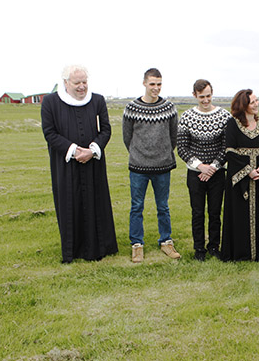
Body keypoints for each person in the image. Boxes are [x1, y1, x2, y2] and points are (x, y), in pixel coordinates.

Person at [41, 65, 118, 263]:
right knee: (70, 204)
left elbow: (106, 130)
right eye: (77, 83)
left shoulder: (98, 100)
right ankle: (72, 250)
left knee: (96, 203)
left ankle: (100, 247)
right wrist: (75, 150)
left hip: (93, 163)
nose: (82, 87)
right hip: (66, 165)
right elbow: (49, 133)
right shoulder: (50, 102)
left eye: (85, 82)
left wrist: (92, 150)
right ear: (66, 82)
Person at [123, 68, 180, 263]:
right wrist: (139, 154)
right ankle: (137, 244)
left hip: (163, 166)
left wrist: (163, 152)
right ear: (144, 83)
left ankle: (166, 241)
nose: (156, 88)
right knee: (136, 206)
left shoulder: (169, 107)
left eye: (159, 84)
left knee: (163, 206)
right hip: (138, 166)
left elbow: (174, 136)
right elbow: (127, 137)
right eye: (152, 84)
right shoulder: (132, 108)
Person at [177, 79, 232, 261]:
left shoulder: (224, 116)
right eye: (202, 97)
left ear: (212, 93)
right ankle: (199, 249)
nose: (206, 100)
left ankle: (214, 246)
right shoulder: (186, 117)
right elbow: (182, 148)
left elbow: (227, 146)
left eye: (208, 96)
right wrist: (201, 166)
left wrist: (213, 167)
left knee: (215, 212)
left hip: (217, 174)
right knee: (197, 212)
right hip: (195, 173)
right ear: (195, 95)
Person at [220, 89, 259, 262]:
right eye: (252, 102)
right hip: (239, 178)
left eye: (257, 101)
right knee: (238, 214)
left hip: (258, 176)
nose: (256, 104)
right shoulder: (232, 124)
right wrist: (248, 170)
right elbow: (229, 151)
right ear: (243, 105)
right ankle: (239, 253)